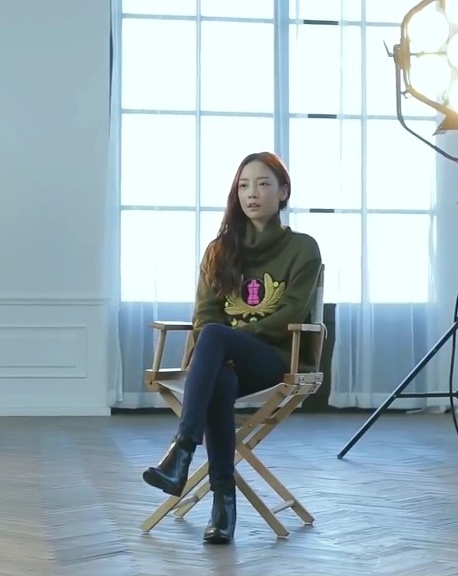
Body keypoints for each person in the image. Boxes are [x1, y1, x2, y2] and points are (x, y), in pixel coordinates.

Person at [141, 151, 322, 544]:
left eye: (263, 184)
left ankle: (182, 450)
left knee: (214, 338)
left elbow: (291, 311)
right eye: (243, 185)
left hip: (274, 358)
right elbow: (205, 312)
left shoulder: (303, 248)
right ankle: (223, 505)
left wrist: (233, 341)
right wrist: (223, 348)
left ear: (283, 192)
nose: (251, 193)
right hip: (222, 361)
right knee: (218, 379)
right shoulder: (218, 249)